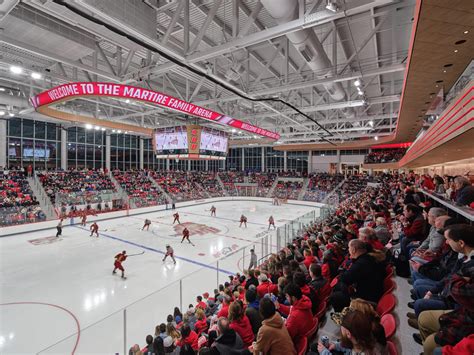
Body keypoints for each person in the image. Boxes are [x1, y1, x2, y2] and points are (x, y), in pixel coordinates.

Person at [319, 309, 387, 355]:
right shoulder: (364, 340)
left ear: (348, 333)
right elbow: (350, 348)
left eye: (342, 329)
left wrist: (324, 352)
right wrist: (336, 345)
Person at [275, 283, 315, 351]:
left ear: (293, 298)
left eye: (287, 296)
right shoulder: (303, 300)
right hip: (305, 331)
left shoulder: (294, 317)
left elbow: (287, 336)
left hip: (298, 341)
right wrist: (279, 306)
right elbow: (291, 309)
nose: (286, 298)